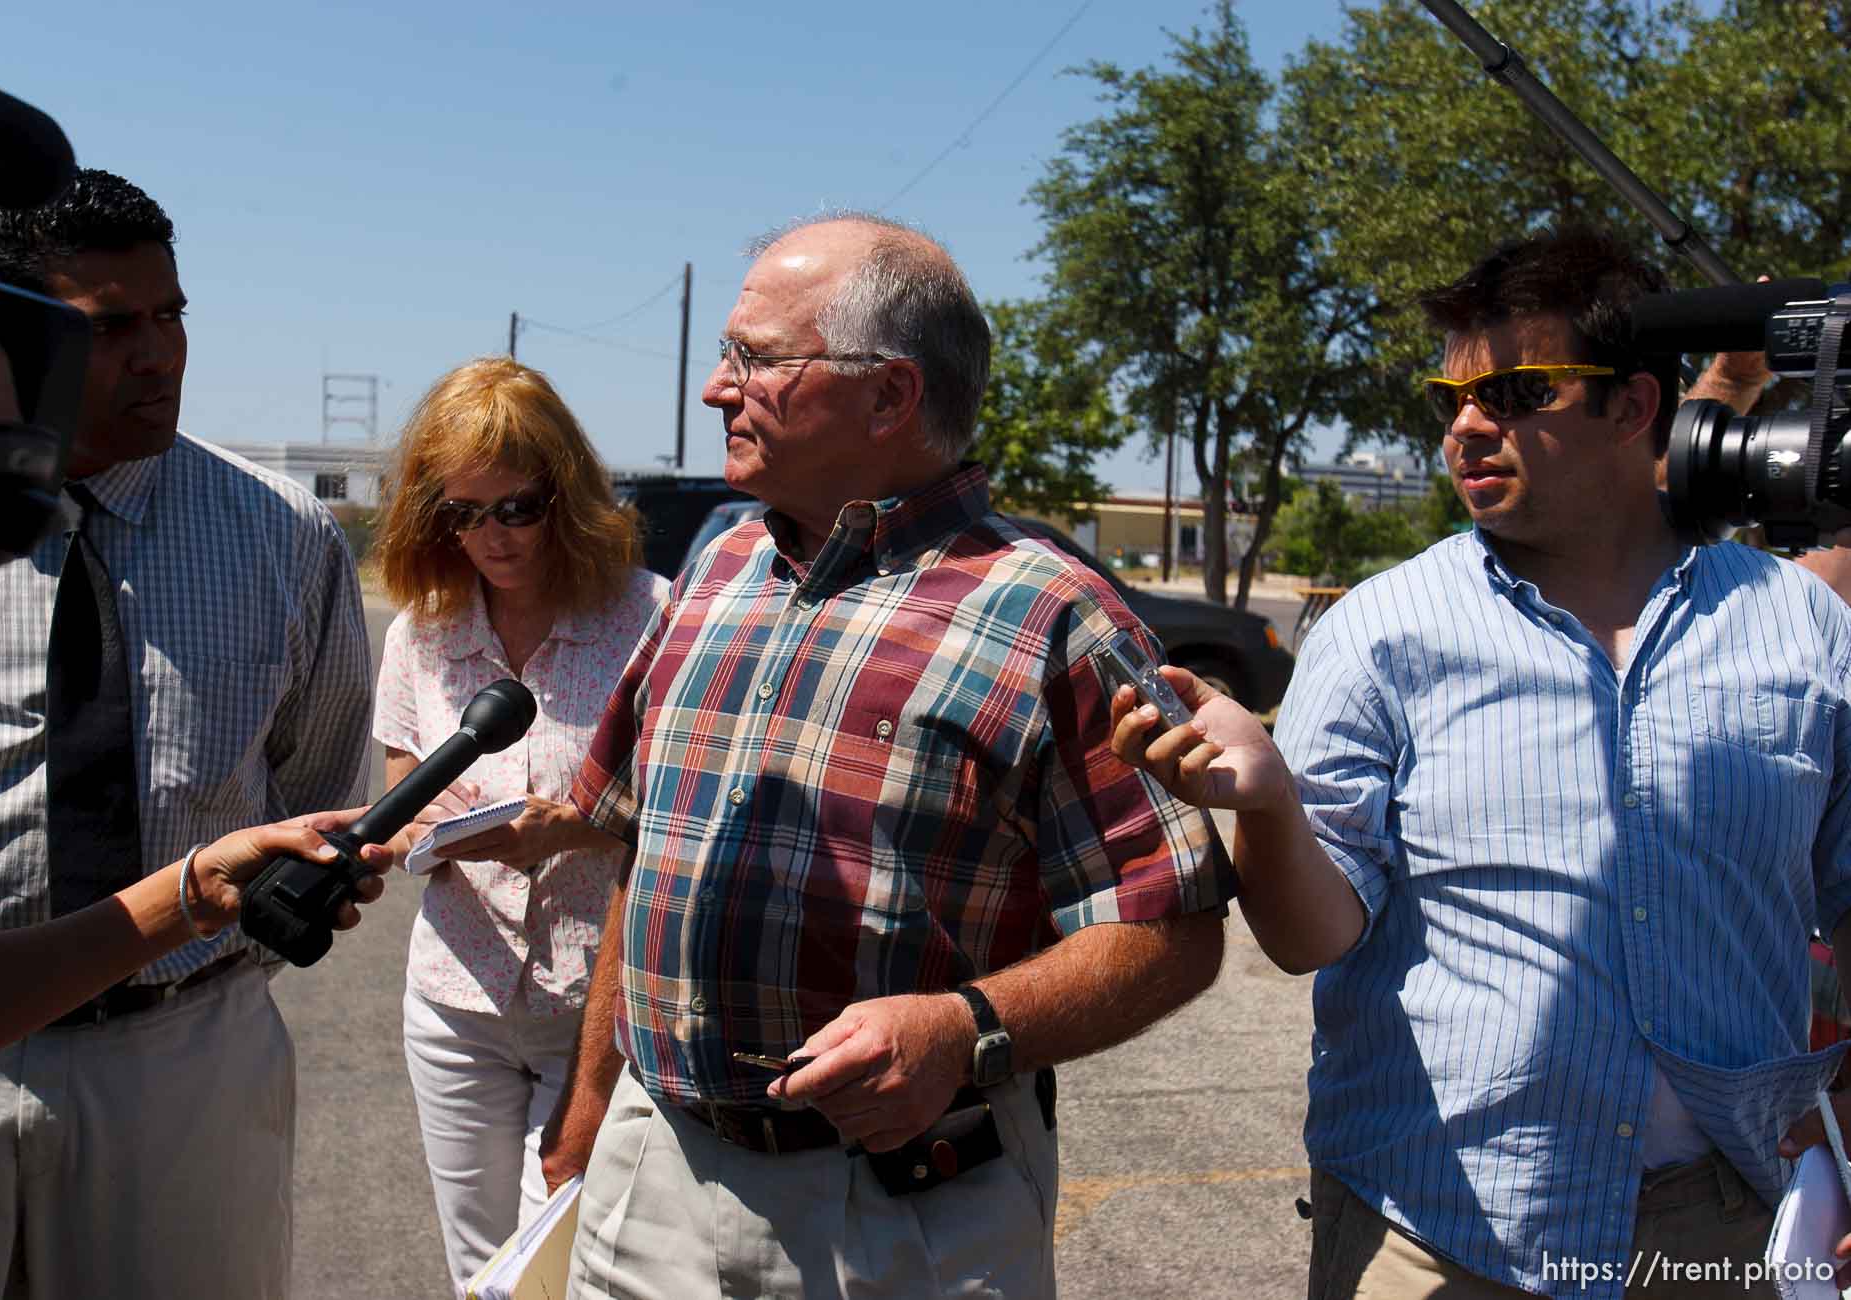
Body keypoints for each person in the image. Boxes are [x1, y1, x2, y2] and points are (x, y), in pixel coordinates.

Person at [1111, 226, 1851, 1299]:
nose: (1468, 424)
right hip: (1438, 1229)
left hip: (1717, 1224)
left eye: (1516, 391)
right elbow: (1311, 935)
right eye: (1453, 397)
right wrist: (1267, 804)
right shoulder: (1380, 630)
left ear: (1636, 405)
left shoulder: (1800, 629)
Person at [519, 213, 1233, 1299]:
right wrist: (587, 1113)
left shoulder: (1056, 617)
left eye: (755, 359)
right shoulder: (719, 571)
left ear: (890, 394)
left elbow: (1171, 930)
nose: (719, 388)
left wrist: (966, 1026)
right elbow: (641, 850)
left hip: (900, 1218)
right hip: (648, 1177)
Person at [0, 169, 373, 1300]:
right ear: (2, 327)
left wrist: (197, 979)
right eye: (110, 326)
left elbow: (312, 790)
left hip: (183, 1061)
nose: (158, 353)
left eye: (170, 315)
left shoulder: (280, 535)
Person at [367, 357, 663, 1292]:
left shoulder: (651, 620)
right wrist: (427, 834)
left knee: (571, 1271)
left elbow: (680, 812)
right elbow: (401, 795)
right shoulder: (423, 627)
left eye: (515, 509)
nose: (490, 537)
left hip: (596, 1007)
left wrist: (568, 829)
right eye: (463, 512)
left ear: (565, 495)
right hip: (456, 999)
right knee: (479, 1271)